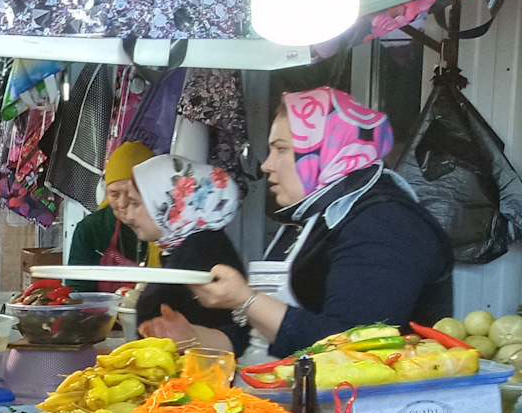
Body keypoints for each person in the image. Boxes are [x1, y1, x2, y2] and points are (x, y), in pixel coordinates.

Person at [191, 87, 453, 359]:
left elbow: (352, 346)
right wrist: (192, 337)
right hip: (278, 392)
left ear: (328, 150)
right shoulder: (315, 215)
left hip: (350, 400)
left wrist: (245, 299)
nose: (267, 165)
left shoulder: (386, 224)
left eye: (281, 149)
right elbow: (262, 335)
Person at [107, 154, 251, 356]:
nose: (128, 214)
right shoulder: (185, 247)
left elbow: (229, 332)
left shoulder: (203, 252)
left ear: (172, 203)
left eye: (135, 203)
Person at [64, 142, 152, 290]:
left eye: (131, 193)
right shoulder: (91, 229)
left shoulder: (169, 230)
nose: (123, 203)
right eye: (114, 194)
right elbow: (78, 291)